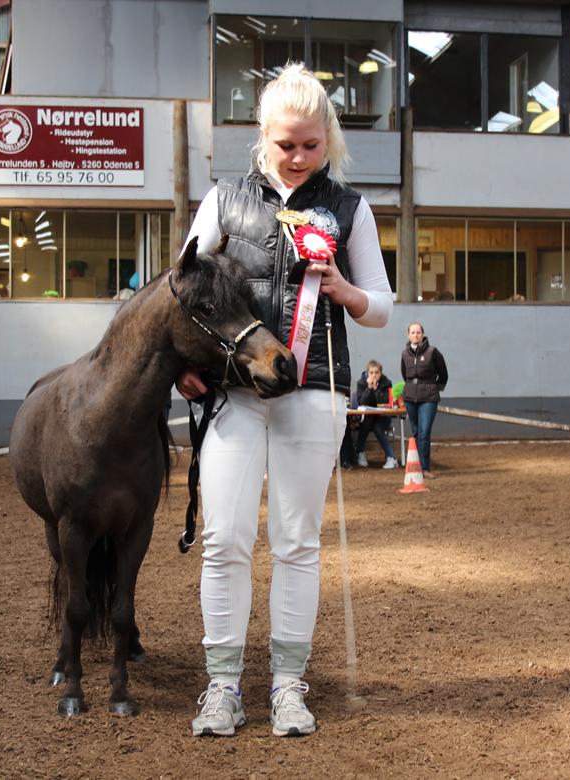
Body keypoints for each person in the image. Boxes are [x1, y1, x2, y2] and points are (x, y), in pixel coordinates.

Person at [175, 63, 393, 738]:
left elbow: (382, 306)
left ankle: (288, 685)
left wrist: (345, 291)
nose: (298, 157)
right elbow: (184, 286)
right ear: (262, 136)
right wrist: (184, 364)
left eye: (311, 145)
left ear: (328, 138)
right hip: (235, 394)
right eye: (285, 144)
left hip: (315, 388)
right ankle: (222, 686)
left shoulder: (351, 209)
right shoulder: (224, 198)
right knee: (225, 540)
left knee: (296, 541)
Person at [400, 322, 448, 478]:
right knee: (415, 432)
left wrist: (435, 388)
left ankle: (425, 468)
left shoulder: (433, 352)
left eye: (418, 332)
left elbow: (443, 373)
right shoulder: (404, 354)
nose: (416, 335)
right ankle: (416, 465)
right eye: (413, 333)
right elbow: (404, 374)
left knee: (424, 432)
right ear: (408, 335)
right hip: (410, 397)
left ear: (423, 334)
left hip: (428, 398)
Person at [352, 360, 398, 469]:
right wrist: (369, 388)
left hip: (382, 417)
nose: (374, 375)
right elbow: (361, 402)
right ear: (367, 373)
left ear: (380, 373)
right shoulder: (361, 383)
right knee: (366, 423)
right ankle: (360, 453)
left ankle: (391, 457)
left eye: (376, 373)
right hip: (367, 417)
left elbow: (385, 401)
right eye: (371, 373)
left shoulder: (386, 383)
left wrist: (376, 389)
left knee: (377, 427)